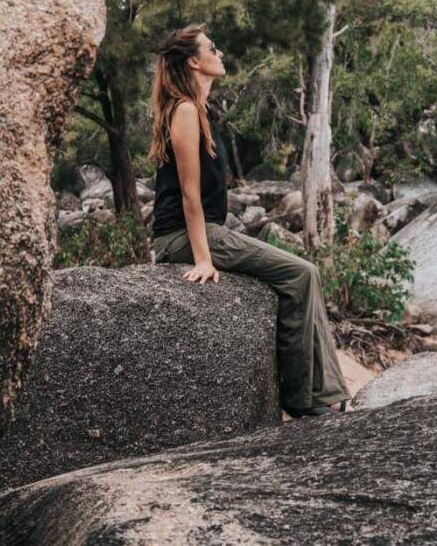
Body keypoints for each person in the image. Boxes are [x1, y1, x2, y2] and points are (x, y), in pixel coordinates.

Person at [147, 23, 351, 419]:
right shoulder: (185, 111)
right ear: (194, 61)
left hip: (205, 230)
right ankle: (302, 397)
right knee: (301, 274)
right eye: (212, 48)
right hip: (183, 236)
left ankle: (327, 390)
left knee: (304, 274)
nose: (220, 54)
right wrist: (203, 259)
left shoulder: (200, 111)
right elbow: (190, 196)